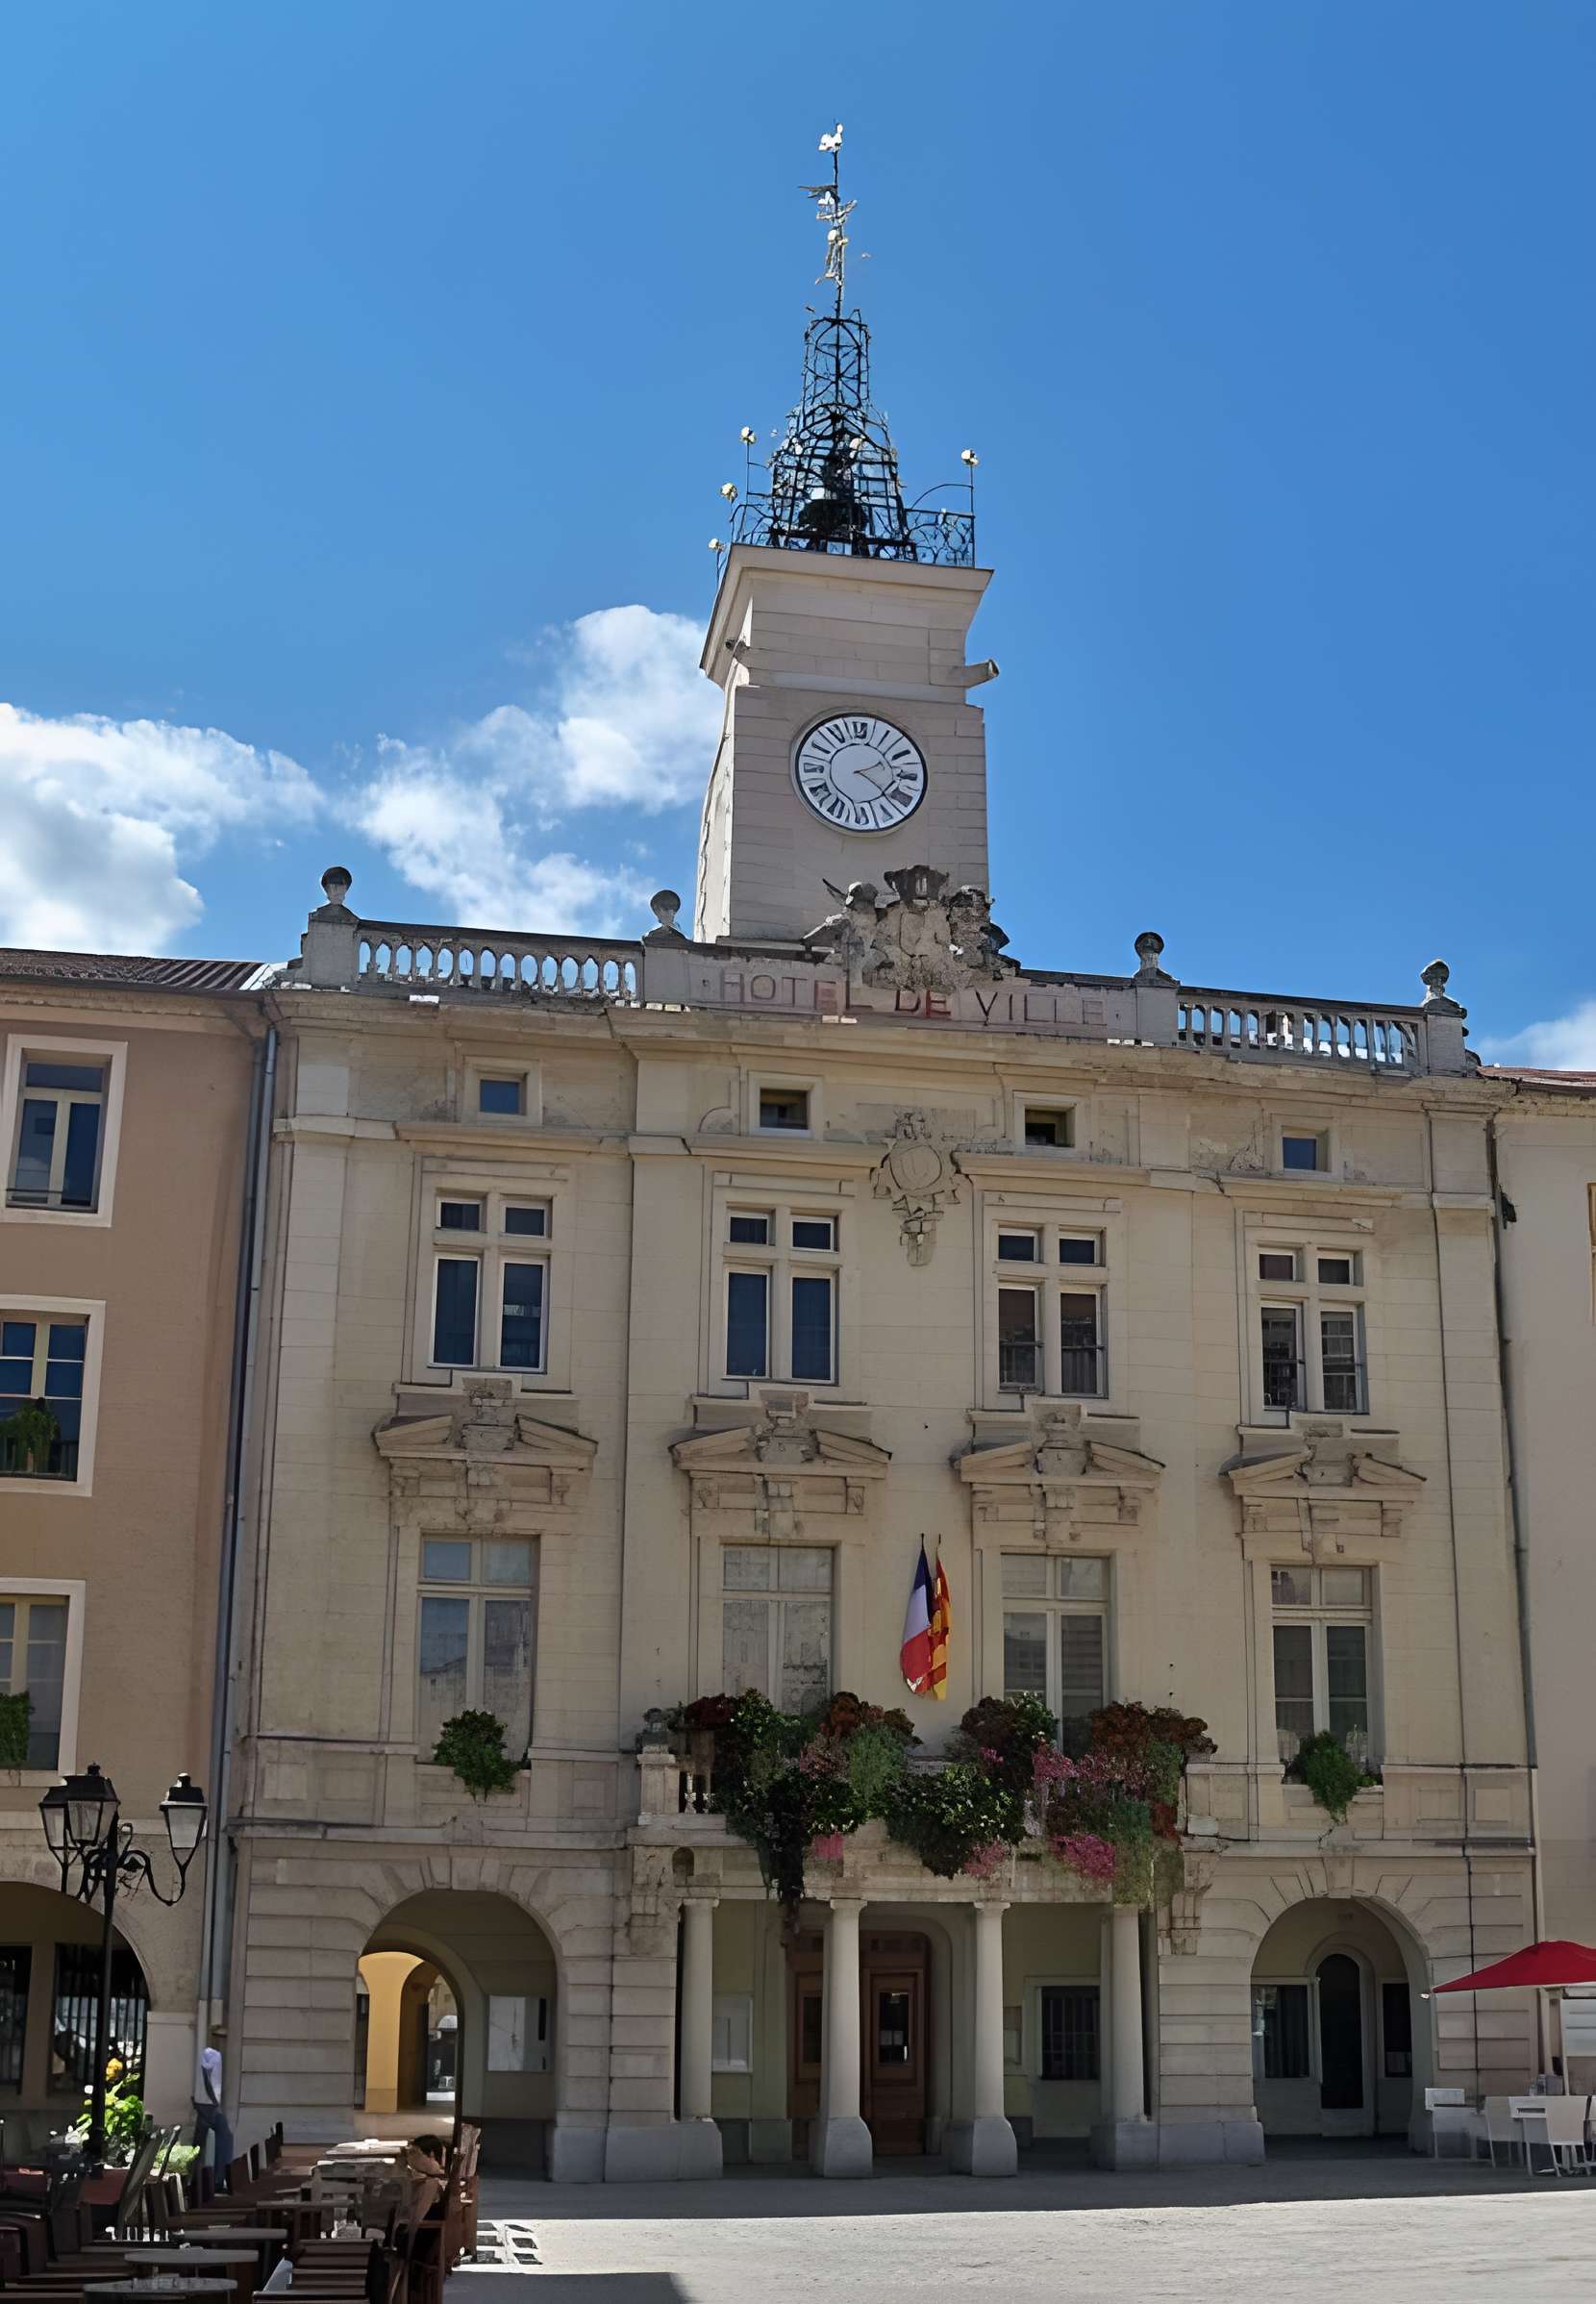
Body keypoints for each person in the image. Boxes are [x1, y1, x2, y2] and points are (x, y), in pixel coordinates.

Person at [192, 2025, 235, 2174]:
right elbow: (210, 2080)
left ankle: (194, 2177)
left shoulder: (207, 2054)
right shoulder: (214, 2055)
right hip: (209, 2105)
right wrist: (215, 2101)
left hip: (203, 2104)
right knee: (224, 2138)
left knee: (199, 2145)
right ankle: (218, 2175)